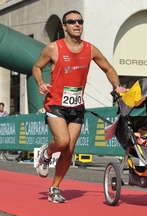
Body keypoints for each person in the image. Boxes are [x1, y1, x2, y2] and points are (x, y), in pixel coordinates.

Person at [32, 10, 127, 203]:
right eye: (72, 21)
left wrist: (117, 86)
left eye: (80, 21)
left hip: (77, 107)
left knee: (69, 150)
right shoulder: (53, 48)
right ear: (64, 27)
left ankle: (54, 188)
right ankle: (46, 153)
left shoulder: (90, 49)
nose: (77, 24)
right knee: (62, 142)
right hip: (55, 104)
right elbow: (36, 67)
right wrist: (41, 82)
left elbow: (108, 68)